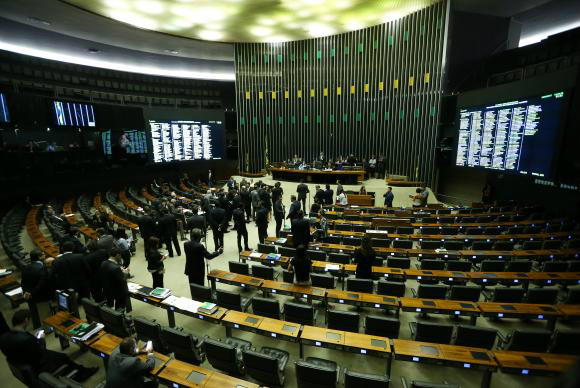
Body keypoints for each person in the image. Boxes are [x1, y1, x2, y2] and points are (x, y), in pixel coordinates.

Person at [0, 310, 97, 380]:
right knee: (64, 357)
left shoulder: (3, 337)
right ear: (26, 320)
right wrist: (41, 340)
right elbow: (40, 352)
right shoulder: (26, 339)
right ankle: (83, 374)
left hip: (24, 361)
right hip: (39, 365)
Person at [21, 250, 52, 328]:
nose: (45, 255)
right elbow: (42, 284)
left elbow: (23, 282)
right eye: (43, 254)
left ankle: (38, 325)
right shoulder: (42, 268)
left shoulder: (26, 267)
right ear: (39, 257)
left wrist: (26, 292)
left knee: (36, 313)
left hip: (30, 295)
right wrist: (32, 293)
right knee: (45, 314)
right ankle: (47, 329)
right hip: (41, 296)